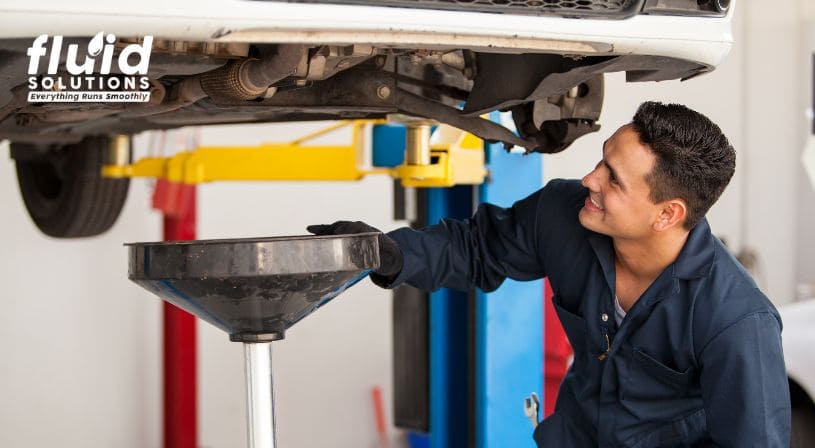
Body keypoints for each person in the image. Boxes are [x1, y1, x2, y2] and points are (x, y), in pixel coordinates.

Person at [308, 102, 791, 447]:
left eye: (614, 180)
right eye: (603, 159)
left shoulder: (736, 322)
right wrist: (390, 253)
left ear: (667, 214)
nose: (590, 180)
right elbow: (477, 248)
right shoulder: (565, 215)